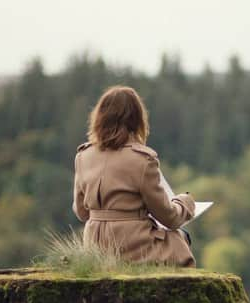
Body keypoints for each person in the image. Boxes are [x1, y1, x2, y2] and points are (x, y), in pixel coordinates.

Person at [72, 85, 196, 267]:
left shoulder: (83, 156)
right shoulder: (143, 159)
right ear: (136, 119)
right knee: (180, 240)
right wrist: (185, 203)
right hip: (132, 248)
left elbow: (82, 213)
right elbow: (169, 218)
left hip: (94, 248)